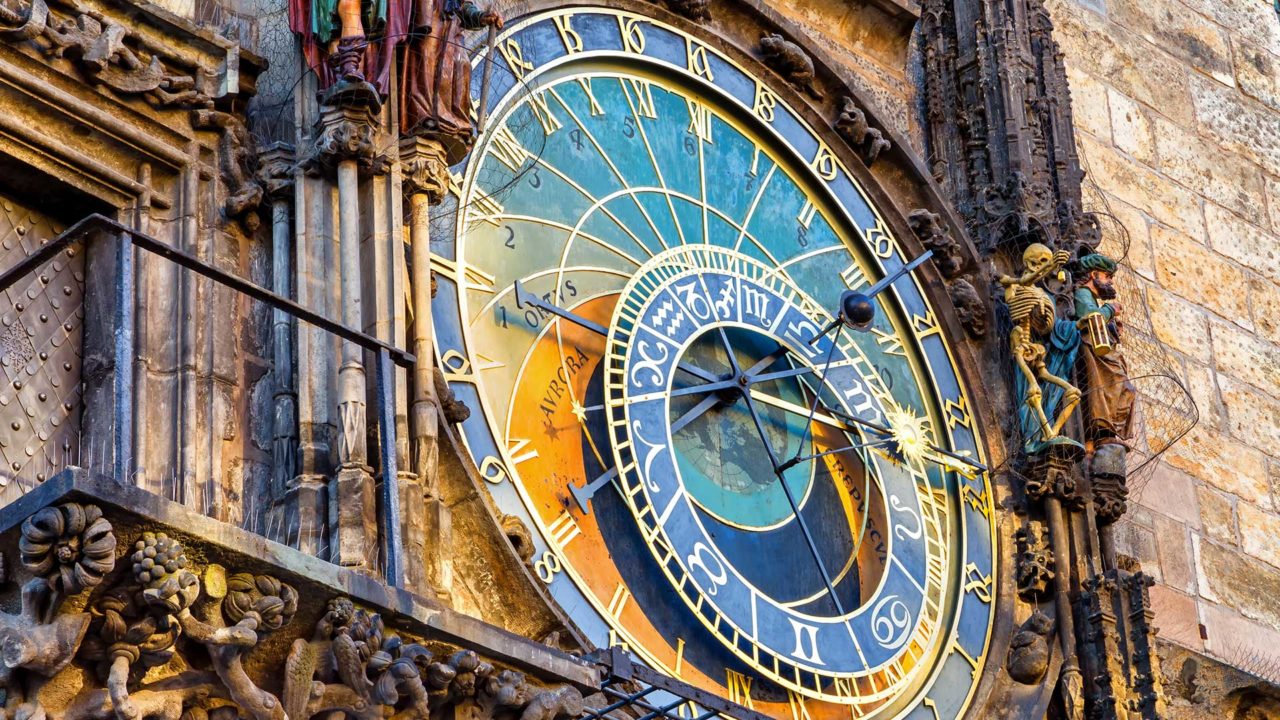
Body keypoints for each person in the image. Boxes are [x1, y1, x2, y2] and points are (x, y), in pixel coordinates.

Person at [399, 0, 501, 158]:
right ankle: (424, 114)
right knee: (426, 56)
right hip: (427, 12)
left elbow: (465, 7)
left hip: (451, 24)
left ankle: (452, 120)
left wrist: (482, 17)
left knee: (462, 64)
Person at [1074, 253, 1136, 447]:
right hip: (1094, 351)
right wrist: (1110, 310)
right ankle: (1102, 429)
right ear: (1094, 274)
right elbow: (1088, 317)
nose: (1110, 282)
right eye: (1107, 276)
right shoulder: (1082, 294)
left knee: (1125, 388)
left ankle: (1106, 430)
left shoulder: (1090, 297)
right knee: (1116, 383)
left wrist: (1112, 328)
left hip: (1100, 350)